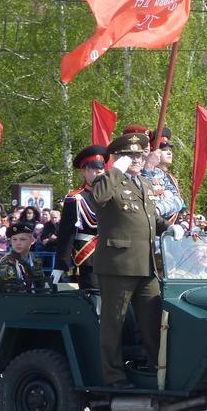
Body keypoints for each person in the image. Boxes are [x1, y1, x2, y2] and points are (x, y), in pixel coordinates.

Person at [92, 132, 167, 389]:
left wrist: (172, 228)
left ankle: (157, 371)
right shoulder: (108, 181)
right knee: (114, 323)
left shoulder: (143, 183)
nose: (136, 159)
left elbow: (150, 219)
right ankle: (113, 377)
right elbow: (97, 199)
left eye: (139, 155)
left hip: (146, 266)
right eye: (130, 155)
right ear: (119, 158)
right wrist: (115, 171)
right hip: (118, 265)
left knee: (153, 322)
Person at [53, 145, 107, 289]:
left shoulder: (114, 195)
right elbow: (66, 233)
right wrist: (61, 264)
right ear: (84, 171)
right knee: (93, 296)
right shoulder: (76, 198)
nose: (99, 171)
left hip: (113, 256)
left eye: (101, 167)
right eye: (94, 167)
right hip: (90, 259)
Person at [0, 222, 45, 292]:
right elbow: (12, 287)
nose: (18, 243)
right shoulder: (7, 261)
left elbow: (40, 280)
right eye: (14, 239)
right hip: (14, 297)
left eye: (22, 239)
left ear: (32, 241)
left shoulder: (35, 258)